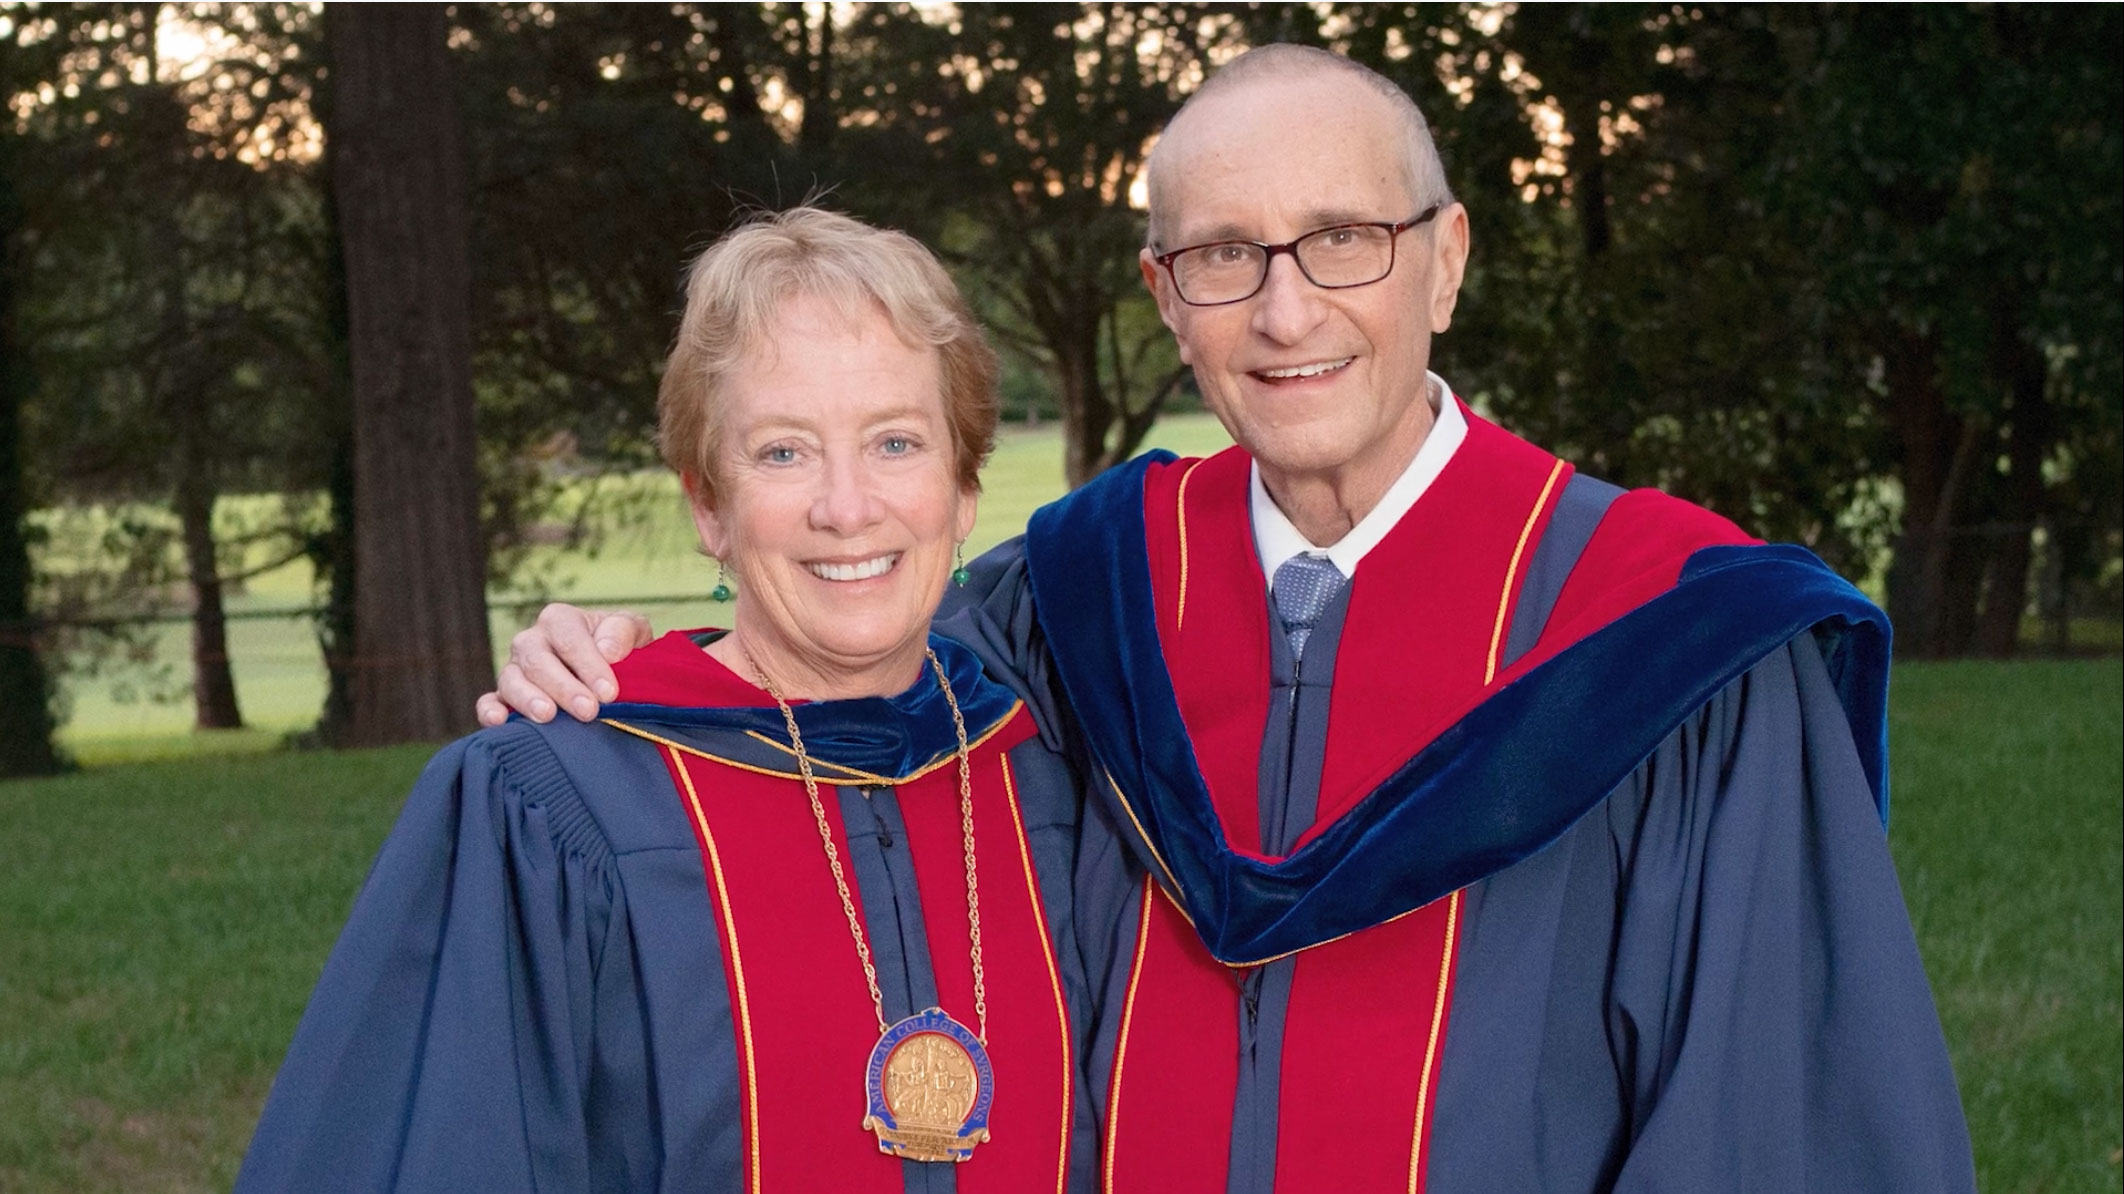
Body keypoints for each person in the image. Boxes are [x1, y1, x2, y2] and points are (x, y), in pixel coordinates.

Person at [486, 47, 1976, 1193]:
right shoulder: (1077, 602)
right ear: (1165, 295)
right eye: (1223, 256)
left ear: (1449, 260)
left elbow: (1769, 1129)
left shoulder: (1673, 642)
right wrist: (635, 663)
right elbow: (840, 694)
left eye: (1346, 238)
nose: (1285, 311)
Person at [238, 208, 1101, 1193]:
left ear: (964, 487)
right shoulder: (560, 803)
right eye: (783, 452)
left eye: (896, 442)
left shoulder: (1050, 771)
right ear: (708, 507)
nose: (847, 506)